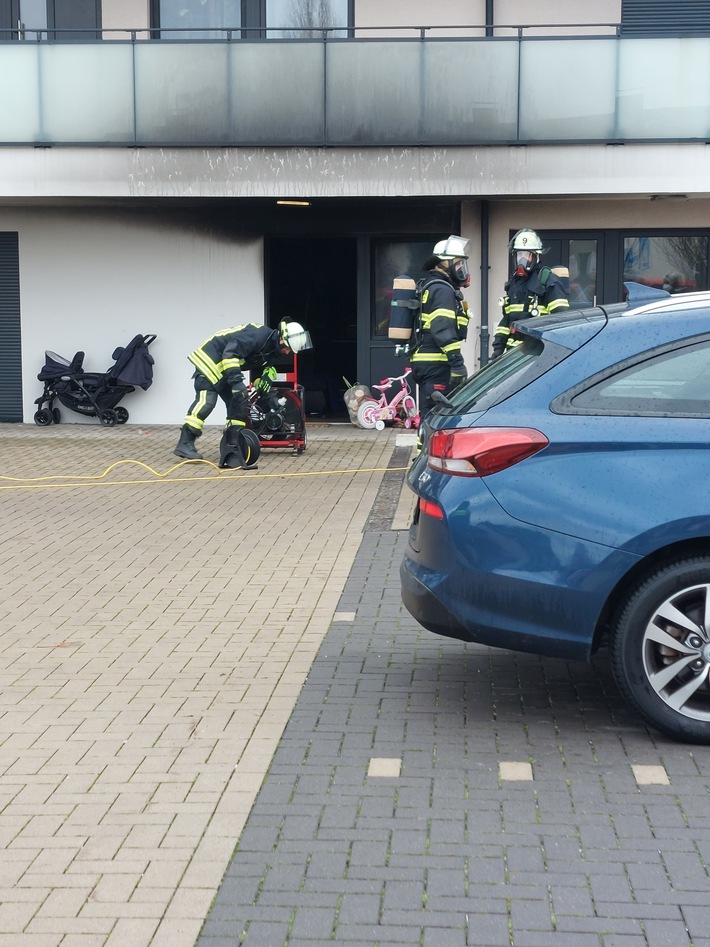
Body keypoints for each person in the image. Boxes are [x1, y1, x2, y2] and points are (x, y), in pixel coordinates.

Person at [174, 318, 312, 462]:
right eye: (287, 347)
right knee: (206, 402)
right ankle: (185, 443)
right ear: (282, 338)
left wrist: (269, 396)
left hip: (225, 370)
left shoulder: (270, 350)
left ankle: (233, 444)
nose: (287, 352)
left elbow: (258, 375)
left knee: (239, 403)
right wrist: (237, 383)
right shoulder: (258, 335)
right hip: (209, 362)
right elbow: (229, 355)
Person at [410, 234, 471, 417]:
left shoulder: (431, 285)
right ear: (445, 264)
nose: (461, 268)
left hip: (425, 362)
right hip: (436, 363)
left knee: (430, 412)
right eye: (458, 263)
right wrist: (457, 363)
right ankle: (429, 446)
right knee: (437, 415)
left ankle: (424, 446)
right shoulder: (442, 290)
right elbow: (442, 329)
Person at [492, 228, 570, 358]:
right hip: (513, 356)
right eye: (519, 255)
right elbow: (506, 321)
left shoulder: (548, 281)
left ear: (536, 256)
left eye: (526, 255)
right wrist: (498, 350)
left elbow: (561, 319)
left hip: (537, 354)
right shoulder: (514, 284)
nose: (522, 260)